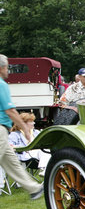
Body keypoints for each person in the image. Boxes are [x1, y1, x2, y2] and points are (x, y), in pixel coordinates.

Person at [0, 54, 44, 200]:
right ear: (2, 68)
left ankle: (35, 188)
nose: (8, 71)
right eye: (7, 67)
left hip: (3, 131)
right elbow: (11, 111)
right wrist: (25, 129)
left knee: (11, 162)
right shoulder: (1, 84)